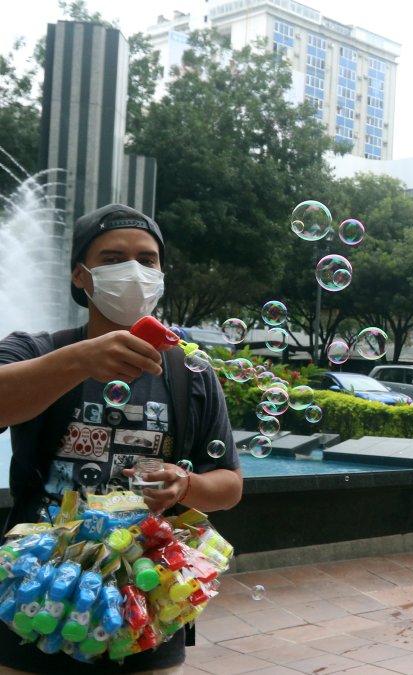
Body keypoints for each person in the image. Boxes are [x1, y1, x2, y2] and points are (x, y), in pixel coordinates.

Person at [0, 204, 243, 672]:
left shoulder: (189, 372)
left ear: (161, 273)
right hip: (34, 594)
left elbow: (230, 484)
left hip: (148, 596)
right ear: (80, 276)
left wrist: (185, 485)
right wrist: (79, 360)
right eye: (112, 259)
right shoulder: (37, 351)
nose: (133, 271)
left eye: (147, 260)